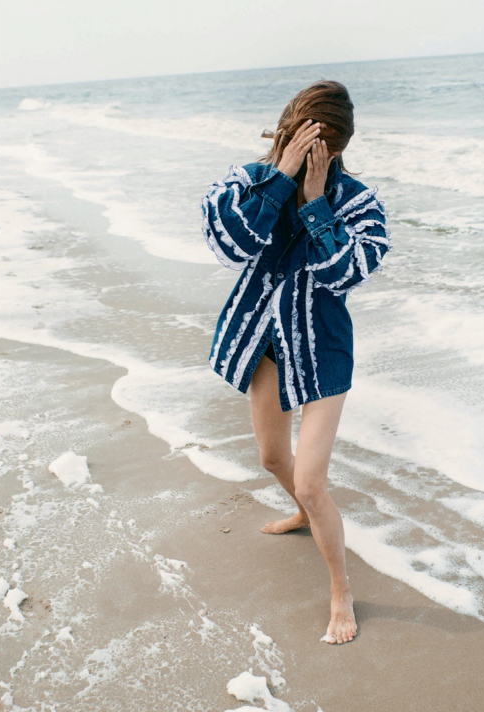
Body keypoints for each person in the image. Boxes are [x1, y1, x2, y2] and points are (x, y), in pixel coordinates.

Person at [200, 80, 391, 645]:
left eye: (323, 147)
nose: (313, 156)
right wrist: (281, 180)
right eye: (302, 140)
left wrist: (314, 206)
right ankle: (307, 517)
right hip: (262, 339)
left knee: (310, 481)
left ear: (339, 147)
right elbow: (228, 247)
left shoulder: (359, 202)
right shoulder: (246, 181)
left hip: (323, 346)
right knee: (271, 458)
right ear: (285, 130)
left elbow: (345, 274)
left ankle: (341, 591)